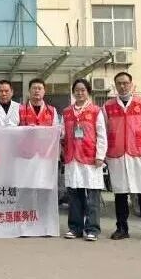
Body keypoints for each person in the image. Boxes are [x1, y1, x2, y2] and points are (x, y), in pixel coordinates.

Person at [103, 72, 141, 243]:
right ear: (115, 86)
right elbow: (105, 130)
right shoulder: (108, 106)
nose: (123, 86)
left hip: (139, 153)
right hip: (117, 153)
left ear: (131, 84)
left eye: (125, 83)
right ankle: (122, 228)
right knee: (120, 193)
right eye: (119, 83)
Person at [62, 78, 107, 241]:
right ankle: (75, 228)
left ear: (88, 92)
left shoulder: (95, 111)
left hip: (90, 157)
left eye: (83, 90)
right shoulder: (67, 112)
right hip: (72, 158)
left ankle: (92, 229)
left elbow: (101, 134)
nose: (80, 93)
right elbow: (63, 133)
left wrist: (100, 156)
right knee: (74, 194)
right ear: (73, 92)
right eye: (77, 90)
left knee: (92, 194)